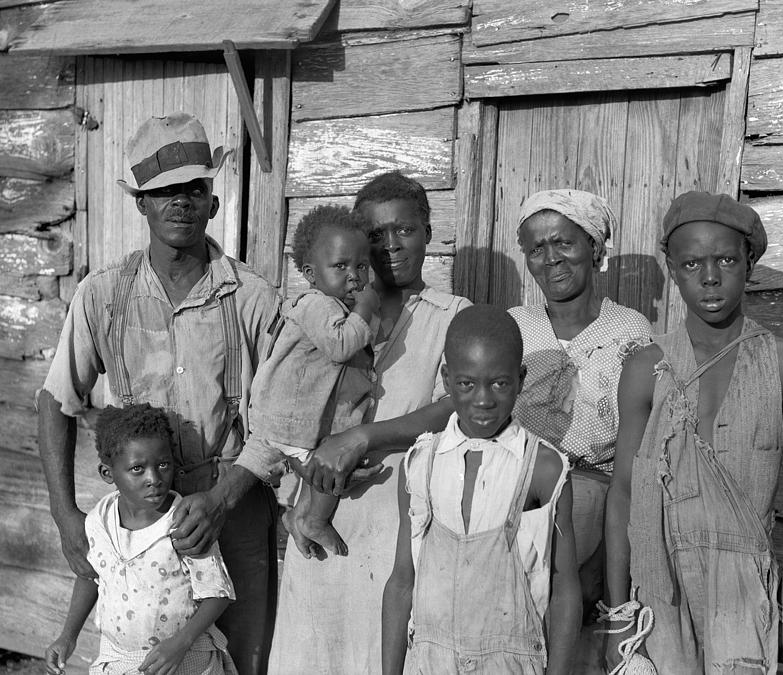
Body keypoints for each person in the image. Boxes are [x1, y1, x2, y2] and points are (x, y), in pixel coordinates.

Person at [180, 171, 470, 673]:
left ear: (429, 232)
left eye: (405, 230)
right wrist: (226, 494)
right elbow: (279, 416)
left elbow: (457, 406)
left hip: (399, 538)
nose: (390, 246)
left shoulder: (452, 317)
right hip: (314, 532)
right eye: (374, 236)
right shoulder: (319, 317)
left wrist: (360, 437)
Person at [37, 112, 278, 675]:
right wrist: (64, 512)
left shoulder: (253, 297)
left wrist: (222, 498)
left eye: (193, 188)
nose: (180, 202)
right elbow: (56, 400)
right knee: (142, 658)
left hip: (232, 507)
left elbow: (284, 420)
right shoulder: (103, 295)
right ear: (141, 202)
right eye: (164, 191)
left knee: (238, 663)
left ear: (213, 200)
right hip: (138, 520)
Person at [603, 191, 783, 673]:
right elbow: (622, 493)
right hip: (657, 591)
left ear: (749, 262)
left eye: (725, 259)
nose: (709, 277)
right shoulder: (646, 367)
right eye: (691, 264)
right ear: (672, 269)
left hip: (745, 593)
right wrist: (620, 613)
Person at [383, 305, 581, 674]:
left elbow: (565, 590)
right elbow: (401, 582)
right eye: (466, 384)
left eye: (500, 383)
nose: (483, 400)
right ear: (446, 379)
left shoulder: (542, 467)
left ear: (521, 379)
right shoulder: (421, 463)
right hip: (431, 663)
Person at [508, 189, 653, 617]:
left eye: (564, 243)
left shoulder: (629, 329)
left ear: (594, 246)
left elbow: (635, 442)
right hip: (518, 492)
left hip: (597, 493)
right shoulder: (516, 325)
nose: (550, 258)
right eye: (536, 248)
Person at [45, 404, 236, 675]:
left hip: (184, 660)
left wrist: (181, 643)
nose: (154, 479)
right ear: (108, 473)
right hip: (120, 660)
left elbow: (218, 593)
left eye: (162, 465)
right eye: (137, 469)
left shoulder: (184, 522)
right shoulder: (100, 521)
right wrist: (67, 636)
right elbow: (91, 575)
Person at [247, 204, 379, 557]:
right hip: (290, 419)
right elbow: (340, 345)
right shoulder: (316, 304)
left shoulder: (332, 305)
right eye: (340, 267)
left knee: (323, 464)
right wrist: (366, 308)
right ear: (310, 273)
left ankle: (298, 517)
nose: (354, 276)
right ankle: (314, 521)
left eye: (361, 266)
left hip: (296, 417)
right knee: (330, 471)